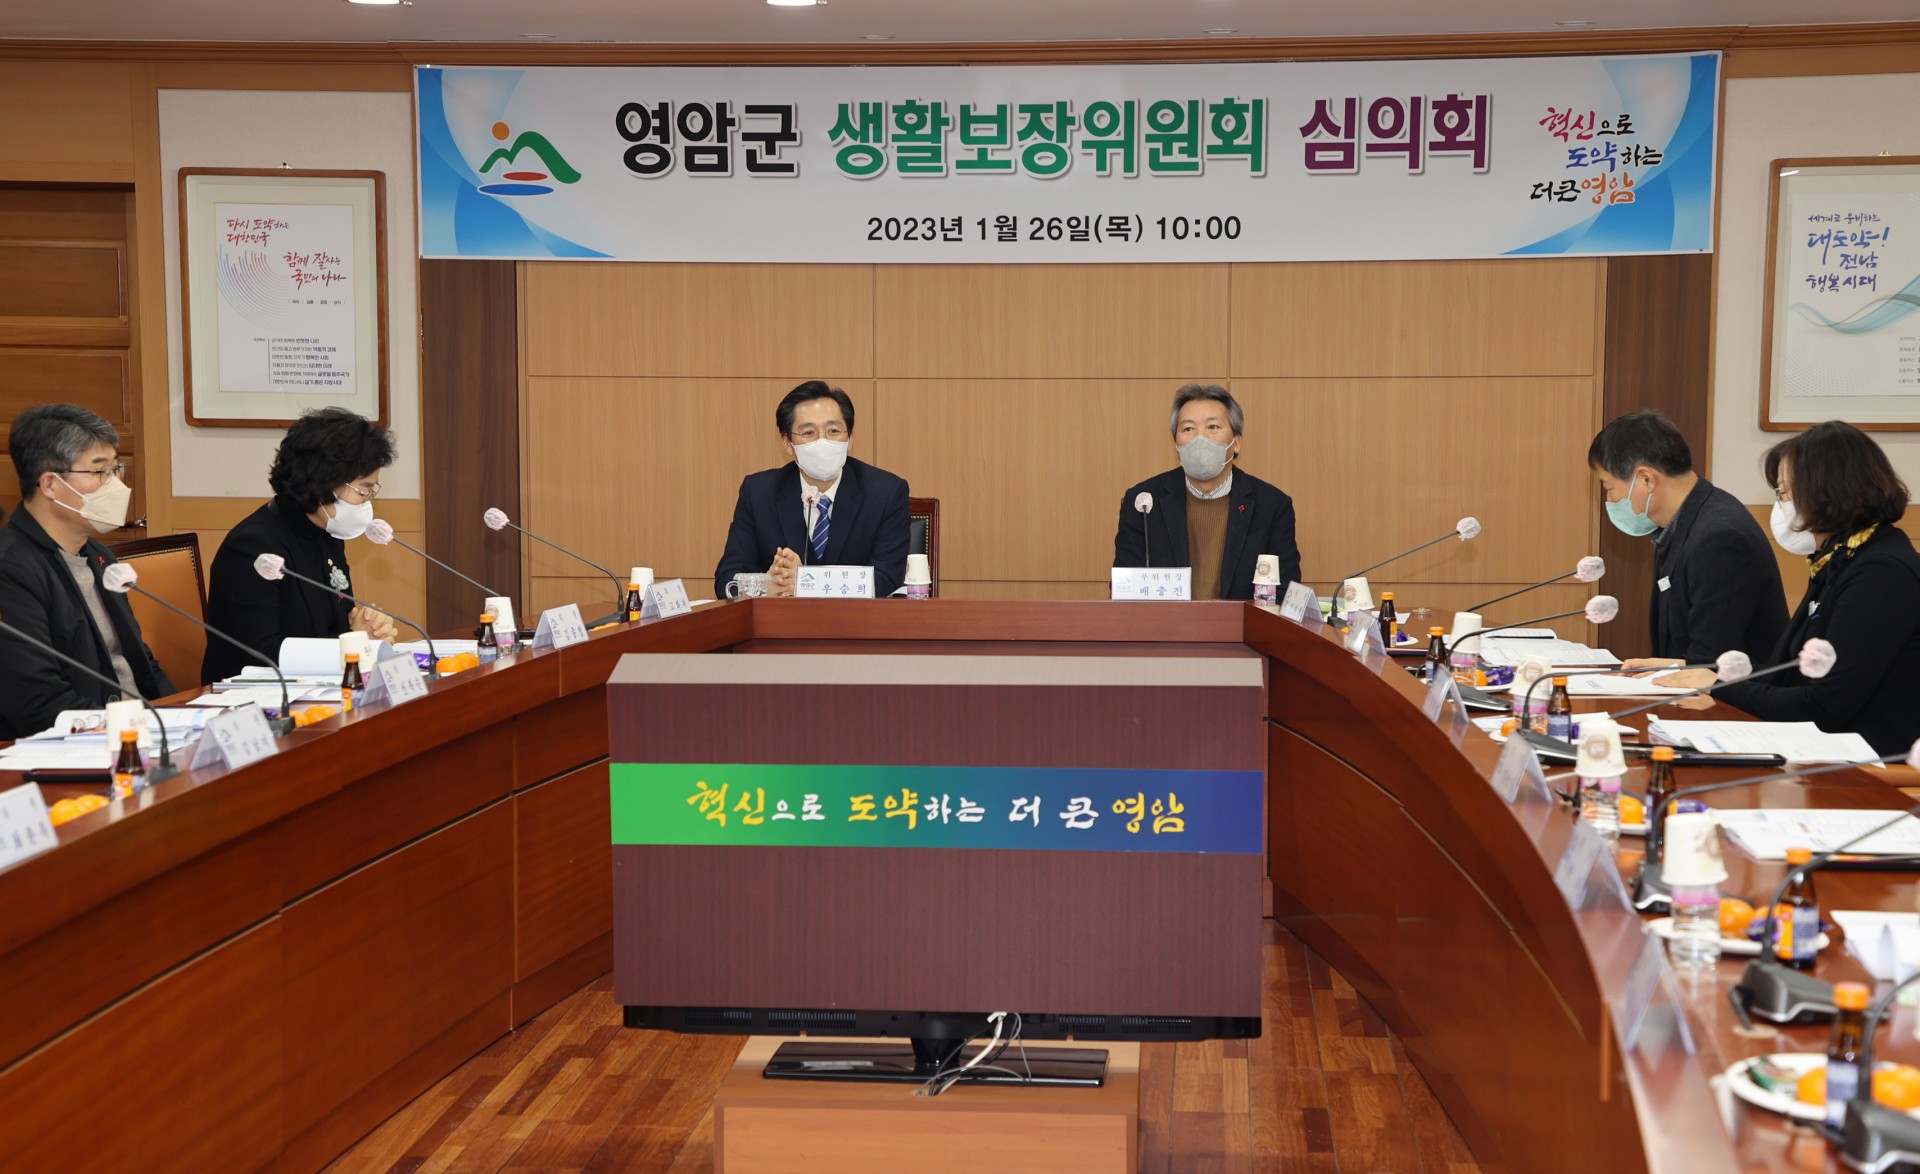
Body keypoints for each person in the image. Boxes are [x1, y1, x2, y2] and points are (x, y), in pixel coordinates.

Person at [1661, 421, 1919, 757]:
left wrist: (1719, 686)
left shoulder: (1880, 572)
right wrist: (1703, 675)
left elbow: (1823, 706)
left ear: (1827, 491)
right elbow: (1789, 675)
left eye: (1784, 494)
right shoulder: (1841, 558)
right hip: (1827, 749)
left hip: (1867, 766)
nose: (1781, 506)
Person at [0, 404, 174, 739]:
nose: (116, 484)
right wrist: (133, 733)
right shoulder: (11, 569)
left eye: (115, 468)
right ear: (50, 485)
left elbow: (141, 664)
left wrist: (184, 717)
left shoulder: (98, 556)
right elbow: (37, 702)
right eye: (100, 471)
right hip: (76, 746)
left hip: (139, 733)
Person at [201, 408, 398, 682]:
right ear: (323, 483)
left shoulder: (327, 533)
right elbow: (262, 653)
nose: (367, 502)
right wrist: (351, 643)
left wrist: (366, 630)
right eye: (363, 490)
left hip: (319, 685)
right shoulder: (251, 548)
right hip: (255, 695)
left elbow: (337, 626)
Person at [1588, 410, 1786, 671]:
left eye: (1609, 488)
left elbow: (1708, 663)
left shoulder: (1719, 538)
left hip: (1733, 695)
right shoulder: (1680, 524)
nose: (1610, 500)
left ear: (1646, 479)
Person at [714, 381, 911, 598]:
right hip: (782, 620)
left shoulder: (885, 493)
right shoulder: (759, 493)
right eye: (808, 432)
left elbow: (885, 580)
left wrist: (807, 583)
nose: (822, 441)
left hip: (856, 620)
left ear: (850, 439)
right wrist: (765, 585)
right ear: (788, 443)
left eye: (833, 431)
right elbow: (727, 580)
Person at [1113, 384, 1300, 600]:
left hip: (1243, 623)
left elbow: (1284, 594)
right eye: (1188, 429)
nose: (1199, 438)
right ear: (1176, 445)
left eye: (1212, 427)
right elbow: (1124, 590)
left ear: (1236, 443)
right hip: (1165, 622)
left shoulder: (1271, 506)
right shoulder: (1144, 503)